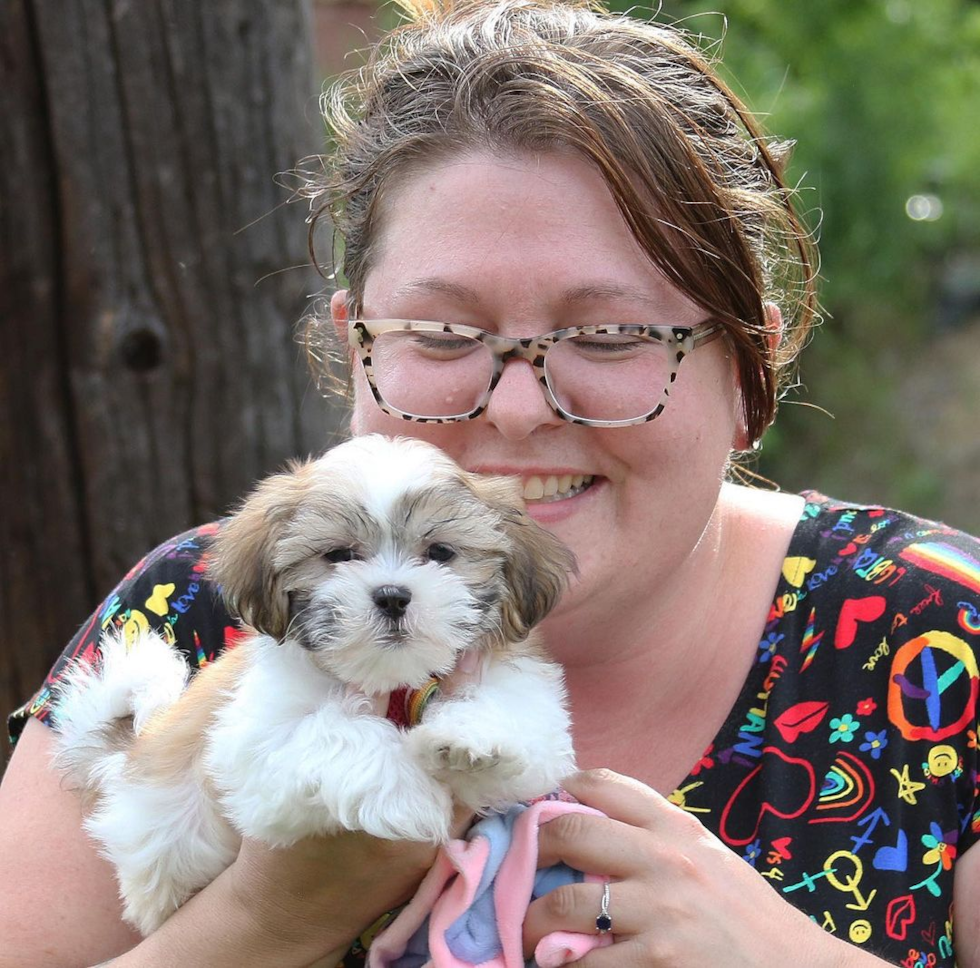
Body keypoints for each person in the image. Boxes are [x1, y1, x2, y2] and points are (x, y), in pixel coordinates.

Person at [2, 0, 979, 965]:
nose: (515, 408)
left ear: (748, 366)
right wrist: (262, 923)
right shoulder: (196, 613)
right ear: (354, 348)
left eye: (607, 335)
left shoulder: (937, 637)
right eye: (441, 333)